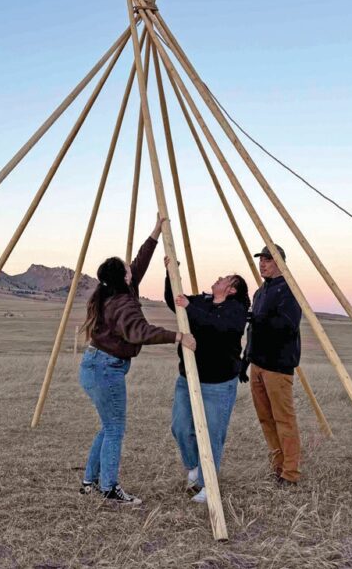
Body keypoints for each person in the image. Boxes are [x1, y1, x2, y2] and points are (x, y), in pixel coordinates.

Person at [78, 214, 196, 505]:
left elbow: (139, 261)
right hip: (106, 369)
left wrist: (155, 231)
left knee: (108, 427)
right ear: (123, 278)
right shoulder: (121, 304)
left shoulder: (115, 290)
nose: (132, 270)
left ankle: (89, 481)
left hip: (95, 365)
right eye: (127, 270)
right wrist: (178, 336)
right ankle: (109, 488)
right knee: (115, 428)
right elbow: (139, 331)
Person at [163, 258, 249, 504]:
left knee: (212, 435)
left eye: (225, 279)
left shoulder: (236, 311)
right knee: (180, 427)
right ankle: (193, 468)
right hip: (188, 377)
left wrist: (189, 307)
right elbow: (175, 301)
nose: (219, 279)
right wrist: (171, 273)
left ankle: (207, 484)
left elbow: (217, 327)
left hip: (219, 384)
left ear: (231, 289)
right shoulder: (202, 301)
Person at [242, 244, 303, 485]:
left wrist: (259, 319)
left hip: (278, 366)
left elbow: (288, 326)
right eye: (261, 259)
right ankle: (277, 466)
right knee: (266, 419)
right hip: (258, 364)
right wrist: (245, 359)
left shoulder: (289, 291)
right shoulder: (260, 292)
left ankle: (290, 473)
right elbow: (252, 329)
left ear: (281, 263)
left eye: (268, 259)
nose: (262, 263)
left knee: (284, 420)